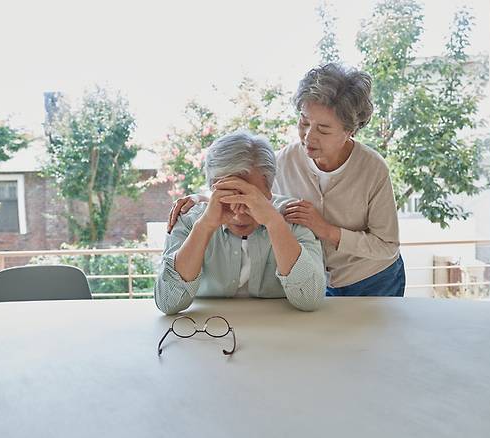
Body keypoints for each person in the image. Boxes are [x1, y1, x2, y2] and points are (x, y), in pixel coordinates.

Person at [169, 63, 405, 297]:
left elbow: (387, 246)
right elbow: (257, 195)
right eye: (304, 122)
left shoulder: (373, 169)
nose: (309, 136)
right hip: (313, 284)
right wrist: (203, 199)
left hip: (374, 280)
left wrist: (326, 230)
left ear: (350, 130)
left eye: (323, 129)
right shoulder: (282, 161)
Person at [154, 131, 325, 315]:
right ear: (212, 189)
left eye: (250, 197)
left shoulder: (293, 217)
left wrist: (274, 223)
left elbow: (310, 299)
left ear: (269, 191)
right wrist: (204, 227)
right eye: (228, 195)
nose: (239, 213)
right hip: (207, 333)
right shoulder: (190, 219)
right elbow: (168, 303)